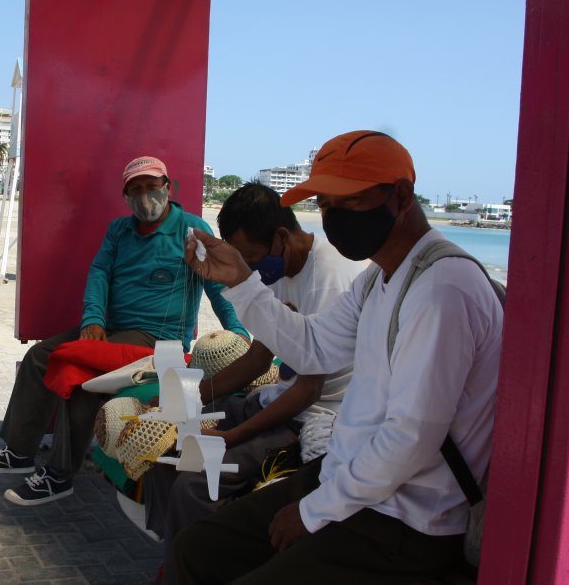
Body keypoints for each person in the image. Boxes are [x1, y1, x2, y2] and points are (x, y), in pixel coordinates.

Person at [175, 131, 503, 583]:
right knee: (198, 548)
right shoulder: (378, 279)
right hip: (352, 484)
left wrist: (313, 513)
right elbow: (312, 345)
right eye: (325, 204)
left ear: (401, 196)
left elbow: (410, 438)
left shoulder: (441, 290)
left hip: (406, 520)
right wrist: (243, 284)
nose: (331, 218)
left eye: (347, 203)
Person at [0, 155, 249, 506]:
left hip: (156, 340)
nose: (145, 196)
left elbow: (216, 285)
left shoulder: (191, 229)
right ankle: (19, 451)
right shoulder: (119, 230)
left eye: (152, 186)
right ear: (126, 196)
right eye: (136, 190)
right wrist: (92, 319)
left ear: (169, 188)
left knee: (79, 375)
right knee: (38, 356)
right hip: (110, 329)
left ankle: (59, 475)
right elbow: (99, 272)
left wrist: (237, 332)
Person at [142, 183, 364, 584]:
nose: (248, 270)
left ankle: (191, 569)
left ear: (281, 237)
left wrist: (232, 435)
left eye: (251, 259)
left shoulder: (329, 279)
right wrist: (188, 396)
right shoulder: (277, 266)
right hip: (278, 398)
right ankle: (173, 554)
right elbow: (259, 357)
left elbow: (309, 388)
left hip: (311, 416)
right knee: (162, 449)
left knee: (192, 484)